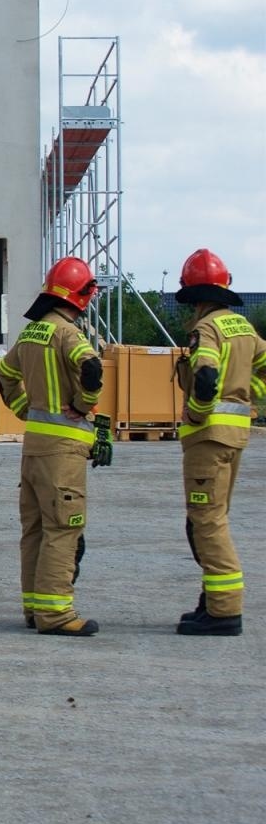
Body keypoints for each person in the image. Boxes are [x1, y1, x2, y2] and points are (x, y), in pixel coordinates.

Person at [0, 256, 105, 636]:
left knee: (35, 530)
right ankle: (56, 615)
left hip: (34, 448)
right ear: (82, 295)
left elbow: (4, 374)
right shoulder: (68, 333)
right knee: (63, 528)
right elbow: (92, 368)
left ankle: (35, 609)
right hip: (64, 450)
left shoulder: (31, 333)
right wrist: (83, 405)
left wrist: (24, 409)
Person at [172, 248, 266, 636]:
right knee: (213, 517)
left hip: (208, 439)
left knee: (207, 521)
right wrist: (250, 397)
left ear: (193, 295)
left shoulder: (207, 329)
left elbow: (206, 375)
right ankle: (211, 601)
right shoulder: (243, 328)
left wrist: (197, 413)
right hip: (235, 437)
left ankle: (224, 610)